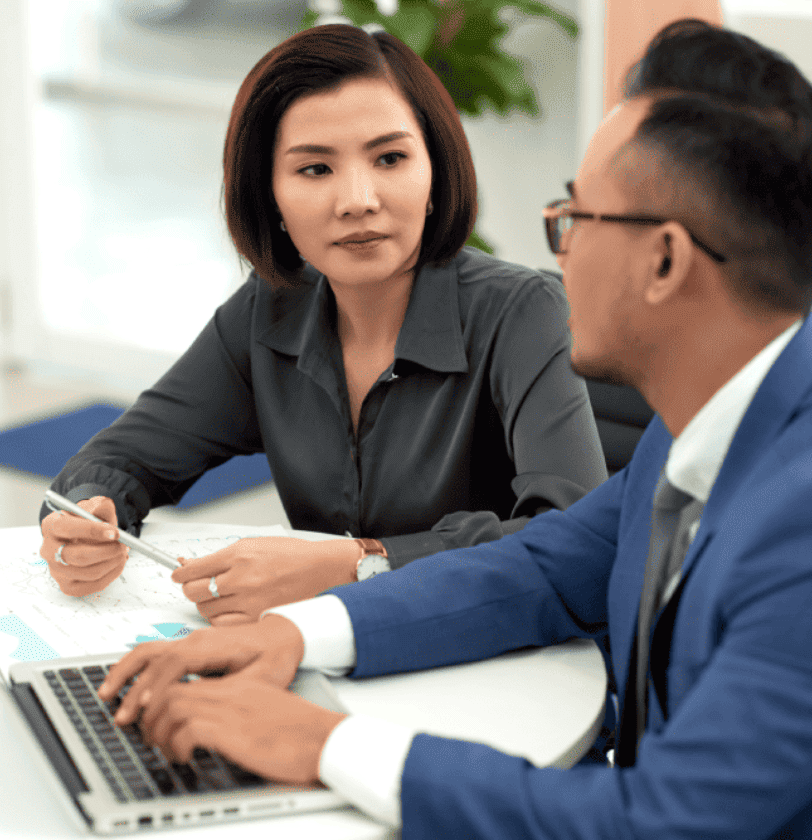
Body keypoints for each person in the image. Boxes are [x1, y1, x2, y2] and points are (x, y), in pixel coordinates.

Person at [95, 18, 812, 838]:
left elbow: (661, 823)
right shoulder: (704, 425)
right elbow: (542, 568)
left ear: (664, 261)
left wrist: (328, 744)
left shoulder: (799, 525)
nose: (560, 253)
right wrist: (292, 634)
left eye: (574, 219)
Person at [38, 24, 607, 624]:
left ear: (435, 173)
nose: (357, 199)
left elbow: (577, 546)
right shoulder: (270, 308)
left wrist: (359, 564)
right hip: (328, 655)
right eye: (315, 169)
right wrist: (88, 514)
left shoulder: (522, 313)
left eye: (390, 158)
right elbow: (119, 460)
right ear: (271, 198)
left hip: (501, 660)